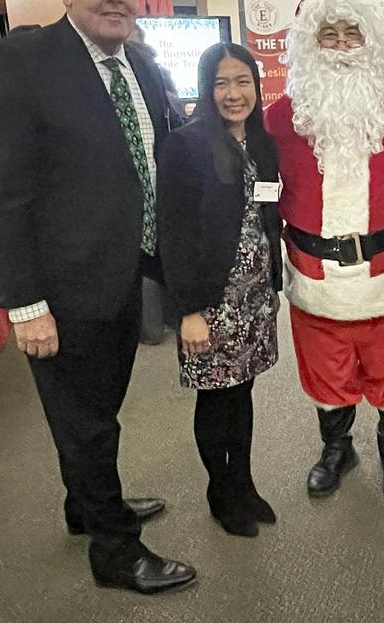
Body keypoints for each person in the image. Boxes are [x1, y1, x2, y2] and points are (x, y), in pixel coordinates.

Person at [0, 0, 196, 593]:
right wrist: (24, 303)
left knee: (96, 408)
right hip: (60, 291)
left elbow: (159, 155)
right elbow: (3, 191)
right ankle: (115, 550)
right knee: (89, 424)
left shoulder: (141, 64)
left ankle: (86, 504)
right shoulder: (23, 62)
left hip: (124, 277)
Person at [265, 0, 384, 502]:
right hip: (313, 276)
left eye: (352, 33)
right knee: (325, 374)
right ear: (309, 44)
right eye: (328, 34)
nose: (340, 45)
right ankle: (337, 449)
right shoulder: (281, 117)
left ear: (375, 38)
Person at [156, 43, 282, 538]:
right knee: (215, 398)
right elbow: (174, 234)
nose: (233, 94)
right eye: (221, 83)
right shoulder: (186, 146)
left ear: (256, 86)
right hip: (210, 301)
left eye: (243, 82)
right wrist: (188, 311)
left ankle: (243, 484)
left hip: (254, 299)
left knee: (242, 391)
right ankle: (220, 491)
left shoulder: (262, 142)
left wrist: (273, 284)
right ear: (207, 89)